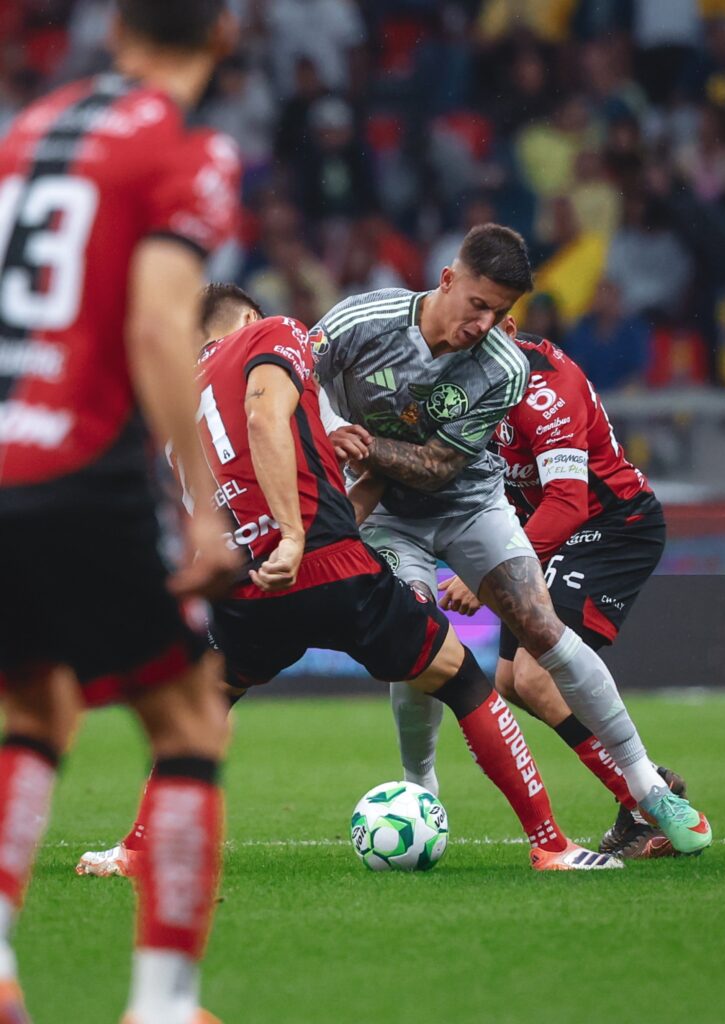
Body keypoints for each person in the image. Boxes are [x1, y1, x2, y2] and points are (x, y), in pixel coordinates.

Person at [79, 284, 620, 878]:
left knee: (202, 707)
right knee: (463, 680)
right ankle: (551, 845)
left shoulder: (181, 396)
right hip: (324, 558)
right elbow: (264, 417)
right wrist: (290, 532)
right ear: (250, 317)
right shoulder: (272, 333)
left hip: (244, 586)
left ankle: (136, 848)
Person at [311, 223, 711, 859]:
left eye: (502, 313)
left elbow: (447, 469)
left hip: (511, 511)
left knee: (540, 634)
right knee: (427, 644)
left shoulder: (513, 374)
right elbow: (300, 374)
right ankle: (423, 789)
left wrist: (362, 444)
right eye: (478, 306)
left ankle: (644, 786)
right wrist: (332, 428)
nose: (486, 325)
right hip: (394, 516)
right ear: (447, 279)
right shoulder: (366, 320)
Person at [0, 3, 242, 1023]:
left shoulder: (26, 133)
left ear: (118, 29)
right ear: (223, 36)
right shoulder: (185, 152)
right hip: (88, 466)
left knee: (34, 709)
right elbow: (156, 324)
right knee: (188, 718)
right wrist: (199, 502)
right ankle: (163, 1002)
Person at [438, 320, 686, 859]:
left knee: (535, 673)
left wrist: (485, 579)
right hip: (544, 533)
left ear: (507, 325)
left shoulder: (548, 387)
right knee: (510, 681)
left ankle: (648, 804)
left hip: (610, 524)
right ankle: (646, 789)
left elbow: (567, 504)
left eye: (485, 321)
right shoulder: (458, 381)